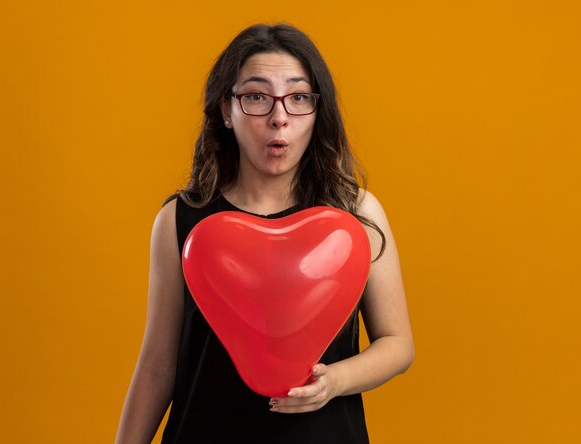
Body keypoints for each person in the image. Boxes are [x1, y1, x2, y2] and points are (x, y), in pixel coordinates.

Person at [115, 23, 414, 444]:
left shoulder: (356, 213)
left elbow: (398, 344)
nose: (279, 117)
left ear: (317, 110)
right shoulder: (181, 219)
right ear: (226, 109)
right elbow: (156, 366)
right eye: (256, 96)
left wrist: (335, 381)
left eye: (297, 98)